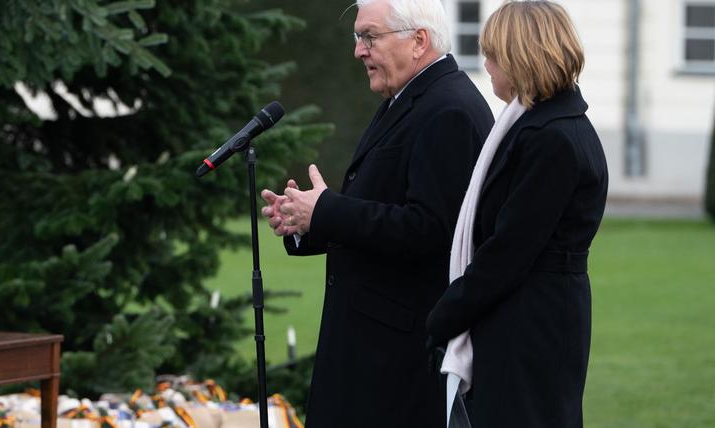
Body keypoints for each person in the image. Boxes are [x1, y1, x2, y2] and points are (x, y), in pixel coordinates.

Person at [260, 0, 492, 425]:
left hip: (397, 359)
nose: (358, 51)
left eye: (370, 36)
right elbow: (382, 208)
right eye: (358, 37)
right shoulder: (408, 97)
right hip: (371, 348)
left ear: (418, 40)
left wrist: (328, 210)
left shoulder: (449, 109)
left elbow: (430, 230)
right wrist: (307, 220)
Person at [425, 1, 608, 427]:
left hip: (533, 325)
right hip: (528, 317)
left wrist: (443, 316)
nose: (485, 65)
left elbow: (509, 250)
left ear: (521, 57)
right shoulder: (542, 125)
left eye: (492, 54)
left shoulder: (552, 137)